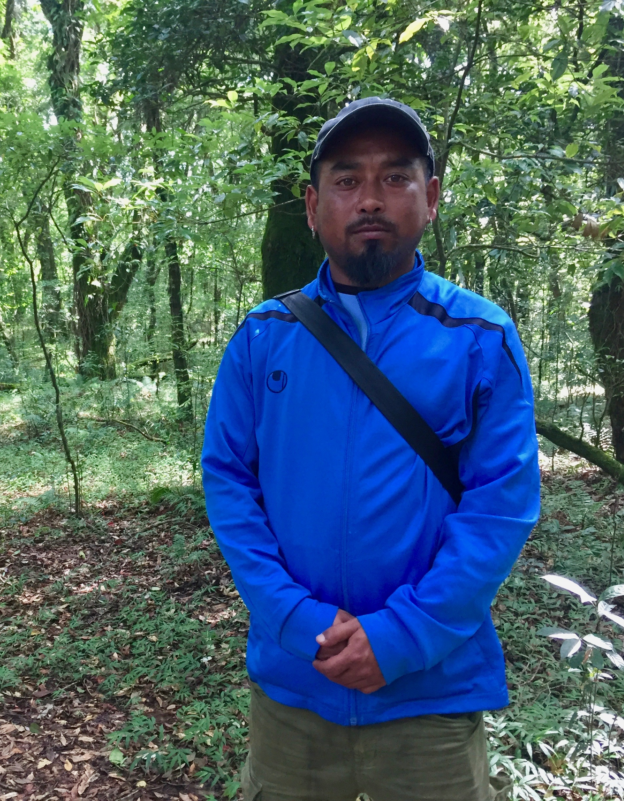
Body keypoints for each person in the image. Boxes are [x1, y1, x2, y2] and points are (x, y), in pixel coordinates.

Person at [200, 97, 541, 801]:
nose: (370, 199)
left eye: (395, 177)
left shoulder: (478, 336)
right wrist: (295, 618)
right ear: (312, 205)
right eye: (347, 179)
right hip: (295, 690)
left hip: (430, 696)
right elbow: (230, 482)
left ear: (431, 197)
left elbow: (500, 507)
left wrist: (402, 637)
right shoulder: (264, 336)